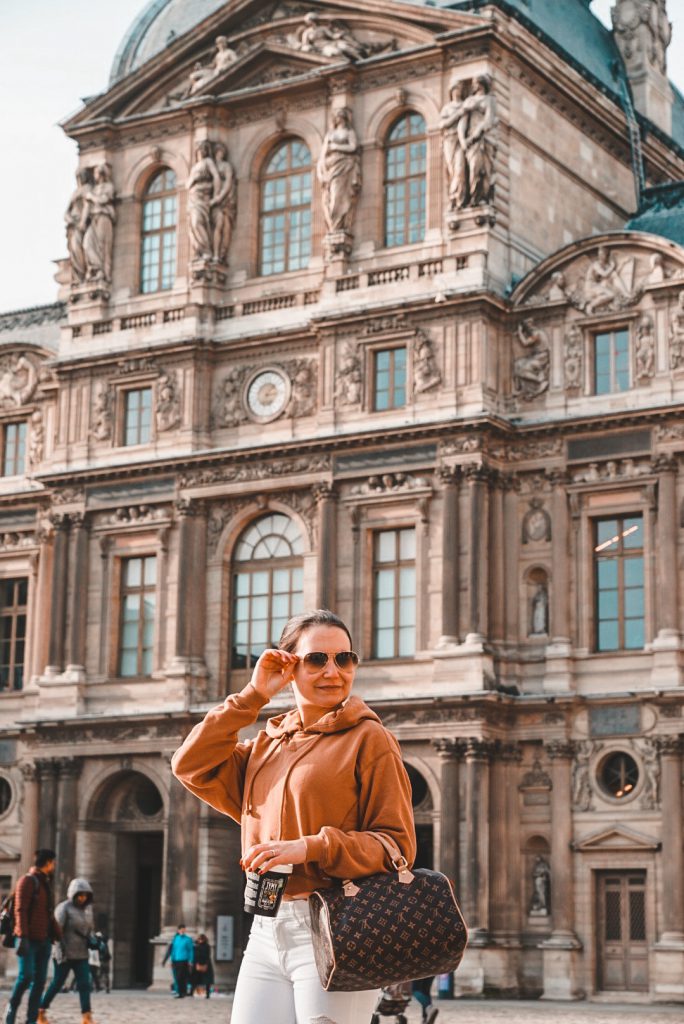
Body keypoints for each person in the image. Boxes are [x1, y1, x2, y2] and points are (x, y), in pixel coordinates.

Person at [172, 608, 416, 1024]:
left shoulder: (370, 739)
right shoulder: (265, 746)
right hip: (267, 928)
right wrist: (252, 697)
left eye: (345, 658)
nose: (333, 671)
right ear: (289, 665)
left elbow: (395, 846)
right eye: (317, 659)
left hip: (339, 928)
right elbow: (188, 764)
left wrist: (309, 847)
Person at [3, 849, 59, 1024]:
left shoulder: (46, 884)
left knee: (39, 982)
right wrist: (23, 936)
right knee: (25, 976)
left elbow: (49, 914)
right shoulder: (27, 881)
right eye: (53, 862)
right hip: (27, 939)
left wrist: (58, 935)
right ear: (48, 862)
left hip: (44, 940)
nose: (54, 866)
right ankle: (11, 1008)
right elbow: (20, 909)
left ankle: (31, 1020)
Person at [38, 878, 97, 1024]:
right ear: (73, 893)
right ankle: (41, 1010)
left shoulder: (87, 910)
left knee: (85, 984)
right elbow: (56, 932)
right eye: (80, 894)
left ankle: (86, 1016)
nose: (83, 898)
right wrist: (59, 952)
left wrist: (94, 940)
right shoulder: (63, 908)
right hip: (65, 953)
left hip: (81, 953)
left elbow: (89, 930)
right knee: (57, 983)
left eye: (85, 895)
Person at [316, 107, 361, 235]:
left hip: (344, 164)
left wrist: (336, 146)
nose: (339, 118)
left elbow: (353, 147)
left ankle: (339, 225)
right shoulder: (329, 134)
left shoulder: (349, 132)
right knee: (331, 196)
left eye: (341, 116)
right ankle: (334, 225)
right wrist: (321, 172)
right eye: (337, 116)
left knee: (339, 195)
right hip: (331, 166)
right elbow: (323, 155)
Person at [162, 924, 194, 998]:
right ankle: (178, 992)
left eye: (184, 929)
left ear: (185, 930)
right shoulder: (175, 939)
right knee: (176, 977)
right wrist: (171, 960)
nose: (182, 931)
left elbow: (190, 951)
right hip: (175, 960)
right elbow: (173, 950)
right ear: (178, 930)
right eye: (181, 929)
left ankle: (182, 992)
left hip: (184, 960)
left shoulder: (188, 939)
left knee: (182, 977)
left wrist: (190, 960)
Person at [190, 934, 214, 998]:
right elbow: (195, 955)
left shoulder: (206, 946)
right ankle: (191, 992)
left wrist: (205, 964)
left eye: (201, 939)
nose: (200, 940)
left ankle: (208, 994)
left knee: (207, 980)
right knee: (195, 979)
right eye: (199, 939)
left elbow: (207, 956)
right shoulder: (196, 946)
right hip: (198, 964)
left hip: (205, 964)